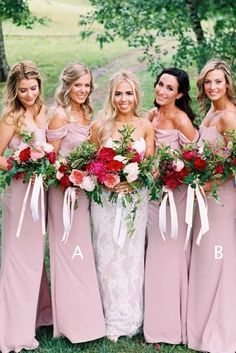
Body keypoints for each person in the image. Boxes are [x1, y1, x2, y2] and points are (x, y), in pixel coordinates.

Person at [90, 70, 155, 342]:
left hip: (135, 199)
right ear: (111, 95)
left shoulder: (145, 126)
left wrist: (133, 179)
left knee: (131, 253)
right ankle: (108, 315)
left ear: (136, 95)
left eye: (128, 93)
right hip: (106, 200)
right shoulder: (100, 126)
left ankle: (132, 317)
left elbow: (150, 165)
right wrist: (106, 178)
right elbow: (92, 164)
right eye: (118, 93)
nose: (123, 98)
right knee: (106, 253)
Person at [47, 62, 105, 343]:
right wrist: (68, 176)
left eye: (87, 85)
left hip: (83, 192)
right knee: (69, 253)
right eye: (78, 85)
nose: (83, 90)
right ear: (67, 85)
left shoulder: (86, 112)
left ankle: (87, 318)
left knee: (82, 253)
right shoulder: (60, 116)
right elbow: (51, 159)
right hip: (63, 193)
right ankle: (72, 325)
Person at [143, 67, 198, 345]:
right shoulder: (151, 116)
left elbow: (195, 161)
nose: (162, 91)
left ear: (180, 94)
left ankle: (170, 327)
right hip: (154, 195)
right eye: (160, 84)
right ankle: (154, 323)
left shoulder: (181, 120)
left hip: (175, 196)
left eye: (169, 88)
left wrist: (173, 173)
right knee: (154, 256)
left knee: (169, 258)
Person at [0, 61, 52, 353]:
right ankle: (12, 329)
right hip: (19, 192)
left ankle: (37, 315)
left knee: (34, 256)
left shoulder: (41, 111)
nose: (29, 94)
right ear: (14, 90)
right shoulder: (11, 117)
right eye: (23, 90)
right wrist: (22, 165)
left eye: (33, 88)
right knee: (18, 256)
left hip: (39, 191)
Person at [187, 59, 236, 353]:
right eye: (208, 82)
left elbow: (233, 161)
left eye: (218, 81)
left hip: (220, 197)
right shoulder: (210, 112)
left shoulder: (230, 117)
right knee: (205, 257)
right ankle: (200, 325)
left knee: (219, 258)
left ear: (227, 83)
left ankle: (223, 329)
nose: (213, 87)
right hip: (203, 193)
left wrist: (212, 182)